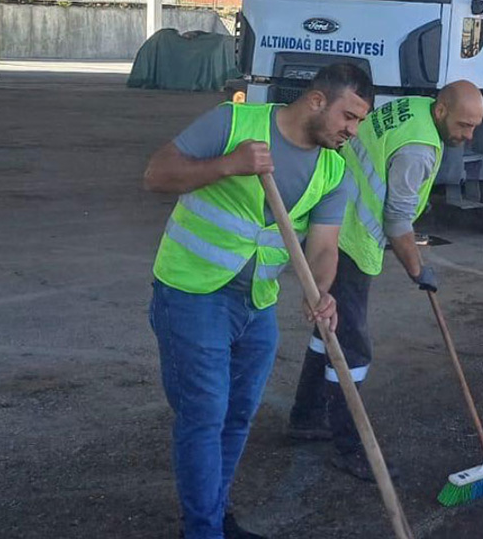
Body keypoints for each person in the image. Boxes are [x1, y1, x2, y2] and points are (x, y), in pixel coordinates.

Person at [143, 63, 373, 539]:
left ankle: (216, 516)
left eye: (359, 122)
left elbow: (324, 247)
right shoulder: (234, 123)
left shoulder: (333, 170)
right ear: (316, 101)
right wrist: (228, 164)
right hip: (192, 291)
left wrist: (321, 291)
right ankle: (203, 531)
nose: (353, 130)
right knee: (204, 414)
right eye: (348, 116)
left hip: (256, 303)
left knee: (237, 415)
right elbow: (157, 174)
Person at [287, 81, 483, 481]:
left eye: (475, 128)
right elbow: (397, 220)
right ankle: (349, 446)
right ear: (442, 111)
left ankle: (307, 416)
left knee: (328, 329)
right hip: (349, 238)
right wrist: (418, 271)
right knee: (354, 347)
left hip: (333, 218)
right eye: (465, 126)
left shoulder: (413, 107)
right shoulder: (420, 149)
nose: (468, 136)